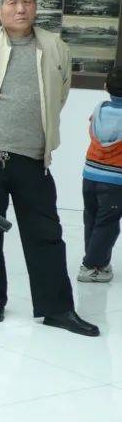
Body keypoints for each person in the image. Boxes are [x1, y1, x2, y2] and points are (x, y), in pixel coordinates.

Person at [0, 0, 98, 336]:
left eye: (28, 1)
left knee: (46, 233)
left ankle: (57, 309)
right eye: (12, 2)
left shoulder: (55, 47)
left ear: (36, 6)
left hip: (33, 158)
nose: (21, 9)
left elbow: (60, 94)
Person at [80, 68, 122, 284]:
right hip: (114, 181)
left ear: (105, 87)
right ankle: (91, 266)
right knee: (107, 224)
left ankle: (98, 262)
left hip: (90, 175)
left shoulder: (98, 111)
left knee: (92, 218)